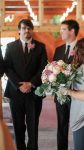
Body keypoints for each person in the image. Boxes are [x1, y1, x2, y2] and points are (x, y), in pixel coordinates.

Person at [4, 19, 47, 150]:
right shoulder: (10, 46)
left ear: (32, 30)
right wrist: (19, 85)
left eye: (29, 28)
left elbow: (43, 68)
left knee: (33, 125)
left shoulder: (40, 47)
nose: (26, 31)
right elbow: (8, 68)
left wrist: (31, 83)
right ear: (19, 30)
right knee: (18, 126)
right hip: (15, 92)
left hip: (34, 92)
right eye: (24, 28)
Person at [53, 19, 79, 150]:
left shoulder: (83, 48)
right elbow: (53, 70)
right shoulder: (58, 50)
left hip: (78, 95)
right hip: (60, 96)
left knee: (78, 127)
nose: (60, 32)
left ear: (72, 31)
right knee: (61, 127)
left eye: (63, 29)